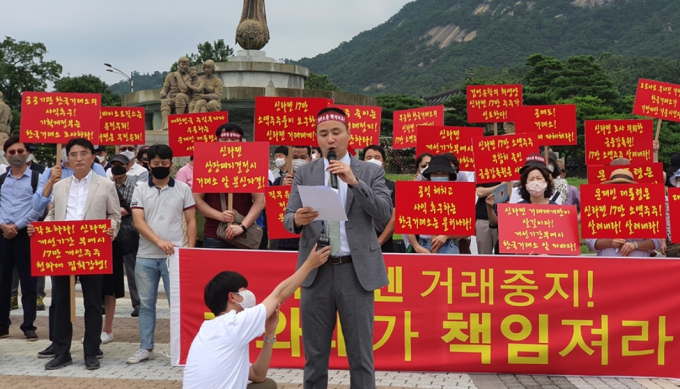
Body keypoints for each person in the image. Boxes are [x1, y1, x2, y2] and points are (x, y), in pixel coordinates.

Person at [284, 107, 392, 389]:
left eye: (336, 132)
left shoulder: (369, 170)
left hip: (355, 273)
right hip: (315, 270)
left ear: (348, 135)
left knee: (360, 355)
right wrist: (297, 219)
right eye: (323, 134)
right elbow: (287, 219)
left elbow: (383, 211)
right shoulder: (305, 173)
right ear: (316, 139)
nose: (330, 139)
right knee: (315, 355)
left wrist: (354, 183)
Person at [183, 247, 331, 389]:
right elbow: (279, 294)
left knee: (266, 385)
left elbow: (257, 375)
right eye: (244, 290)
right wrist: (310, 264)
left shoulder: (207, 329)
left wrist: (270, 334)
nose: (249, 293)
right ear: (232, 296)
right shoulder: (233, 323)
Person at [32, 138, 121, 370]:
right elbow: (52, 216)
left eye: (84, 153)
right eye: (73, 154)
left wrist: (111, 230)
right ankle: (62, 351)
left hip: (92, 249)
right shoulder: (60, 186)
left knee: (93, 302)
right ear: (67, 159)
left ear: (93, 157)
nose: (79, 158)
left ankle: (91, 350)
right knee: (61, 302)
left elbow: (115, 215)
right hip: (63, 250)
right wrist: (42, 228)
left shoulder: (105, 184)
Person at [127, 144, 196, 364]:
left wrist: (190, 251)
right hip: (145, 256)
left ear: (171, 164)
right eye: (155, 163)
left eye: (164, 163)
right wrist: (158, 241)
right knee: (146, 304)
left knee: (177, 303)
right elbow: (138, 221)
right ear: (148, 164)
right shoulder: (140, 188)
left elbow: (191, 220)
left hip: (174, 257)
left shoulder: (183, 188)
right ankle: (146, 347)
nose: (159, 167)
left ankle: (181, 347)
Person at [0, 137, 55, 341]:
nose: (16, 155)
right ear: (5, 156)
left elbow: (39, 207)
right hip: (3, 234)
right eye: (12, 152)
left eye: (20, 151)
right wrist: (3, 225)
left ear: (28, 153)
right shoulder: (1, 178)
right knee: (2, 282)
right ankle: (2, 324)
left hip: (27, 234)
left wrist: (17, 225)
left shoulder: (37, 178)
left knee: (29, 283)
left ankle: (28, 325)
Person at [194, 124, 265, 250]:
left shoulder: (251, 164)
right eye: (224, 139)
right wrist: (219, 216)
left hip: (243, 234)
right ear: (217, 141)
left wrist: (242, 226)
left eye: (233, 139)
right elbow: (196, 199)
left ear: (241, 141)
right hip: (214, 234)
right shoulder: (207, 164)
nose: (229, 143)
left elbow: (260, 201)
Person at [103, 154, 140, 342]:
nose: (117, 167)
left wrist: (114, 212)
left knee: (131, 270)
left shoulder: (134, 186)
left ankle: (137, 303)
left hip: (126, 234)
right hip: (106, 236)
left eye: (121, 165)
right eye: (114, 164)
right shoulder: (106, 183)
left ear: (128, 166)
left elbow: (133, 207)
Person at [586, 169, 662, 257]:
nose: (621, 190)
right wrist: (610, 243)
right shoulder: (599, 209)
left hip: (638, 264)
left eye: (625, 186)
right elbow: (590, 242)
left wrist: (635, 245)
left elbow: (656, 242)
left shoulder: (645, 209)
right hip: (607, 263)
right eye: (616, 186)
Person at [405, 155, 465, 255]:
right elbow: (408, 223)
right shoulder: (418, 195)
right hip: (423, 246)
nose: (439, 176)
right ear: (430, 176)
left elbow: (467, 228)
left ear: (449, 176)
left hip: (448, 246)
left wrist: (446, 235)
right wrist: (416, 246)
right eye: (435, 173)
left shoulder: (459, 195)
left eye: (443, 173)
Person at [271, 146, 312, 251]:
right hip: (284, 240)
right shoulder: (278, 182)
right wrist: (282, 189)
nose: (298, 161)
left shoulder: (317, 182)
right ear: (288, 159)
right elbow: (269, 208)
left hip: (309, 241)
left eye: (303, 157)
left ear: (310, 159)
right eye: (295, 157)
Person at [362, 145, 396, 252]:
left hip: (383, 242)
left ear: (383, 163)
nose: (372, 160)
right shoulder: (354, 185)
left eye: (377, 158)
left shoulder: (393, 187)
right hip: (359, 241)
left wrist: (378, 242)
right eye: (369, 157)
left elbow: (395, 219)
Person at [160, 56, 191, 130]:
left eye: (186, 65)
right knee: (165, 101)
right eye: (183, 64)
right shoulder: (170, 76)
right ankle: (166, 124)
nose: (184, 66)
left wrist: (178, 77)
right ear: (178, 64)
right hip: (173, 98)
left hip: (185, 97)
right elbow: (165, 88)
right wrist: (163, 93)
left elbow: (184, 90)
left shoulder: (188, 77)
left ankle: (178, 122)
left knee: (180, 95)